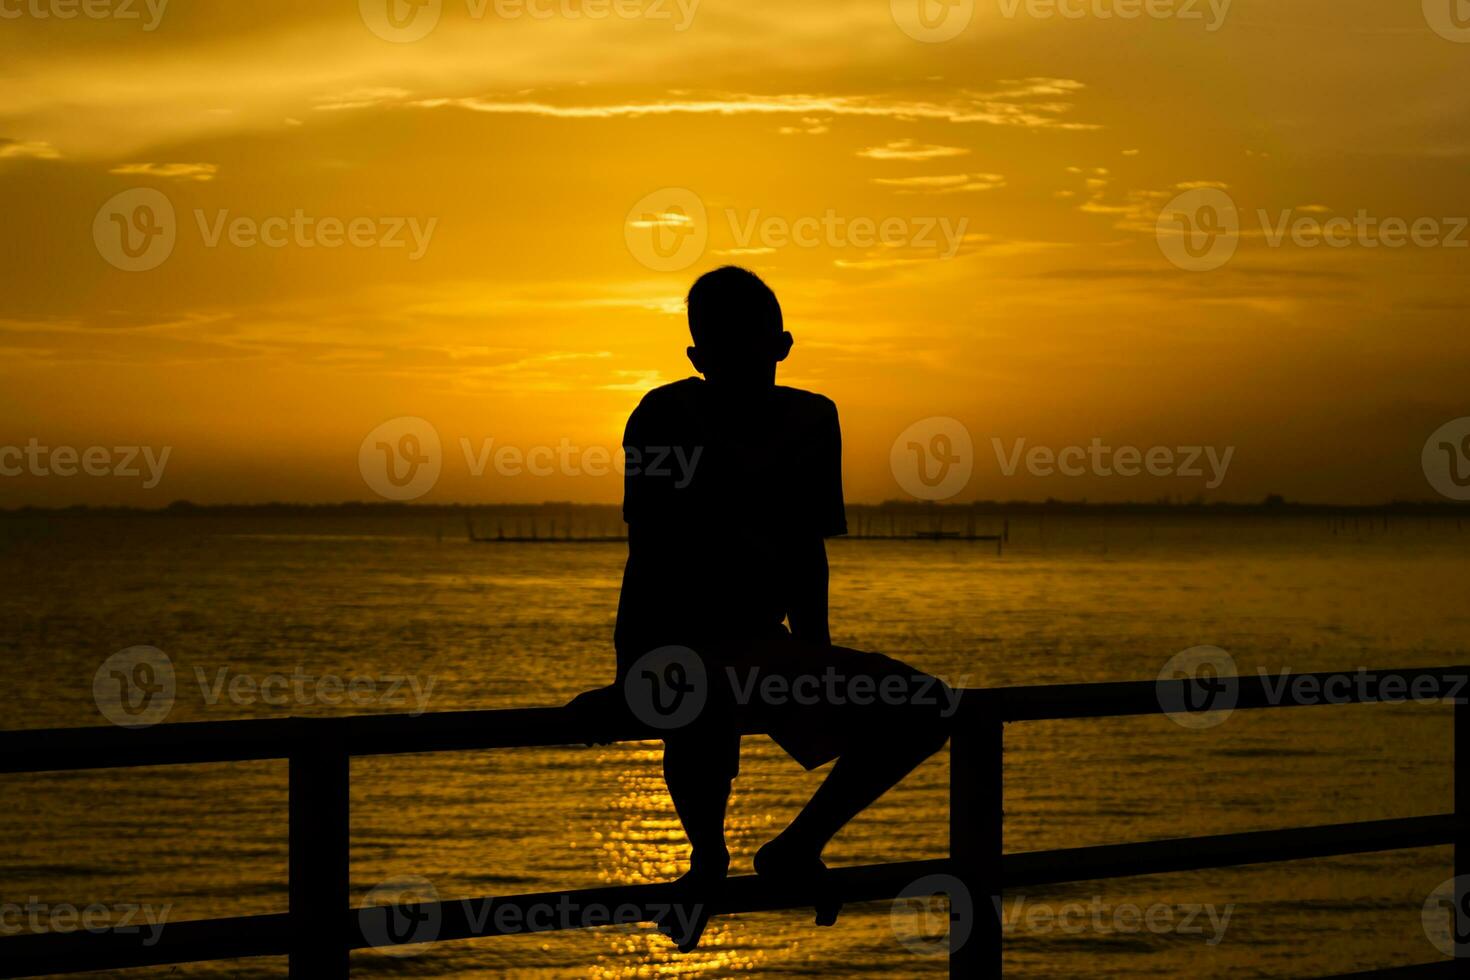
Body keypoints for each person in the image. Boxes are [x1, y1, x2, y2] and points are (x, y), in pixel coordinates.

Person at [572, 266, 951, 951]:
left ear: (782, 346)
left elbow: (808, 554)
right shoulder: (663, 415)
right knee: (702, 694)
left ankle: (796, 846)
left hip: (760, 644)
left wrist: (816, 658)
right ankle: (706, 859)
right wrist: (632, 673)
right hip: (674, 646)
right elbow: (650, 553)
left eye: (749, 347)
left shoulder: (812, 419)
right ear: (697, 359)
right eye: (721, 351)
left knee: (928, 705)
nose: (739, 364)